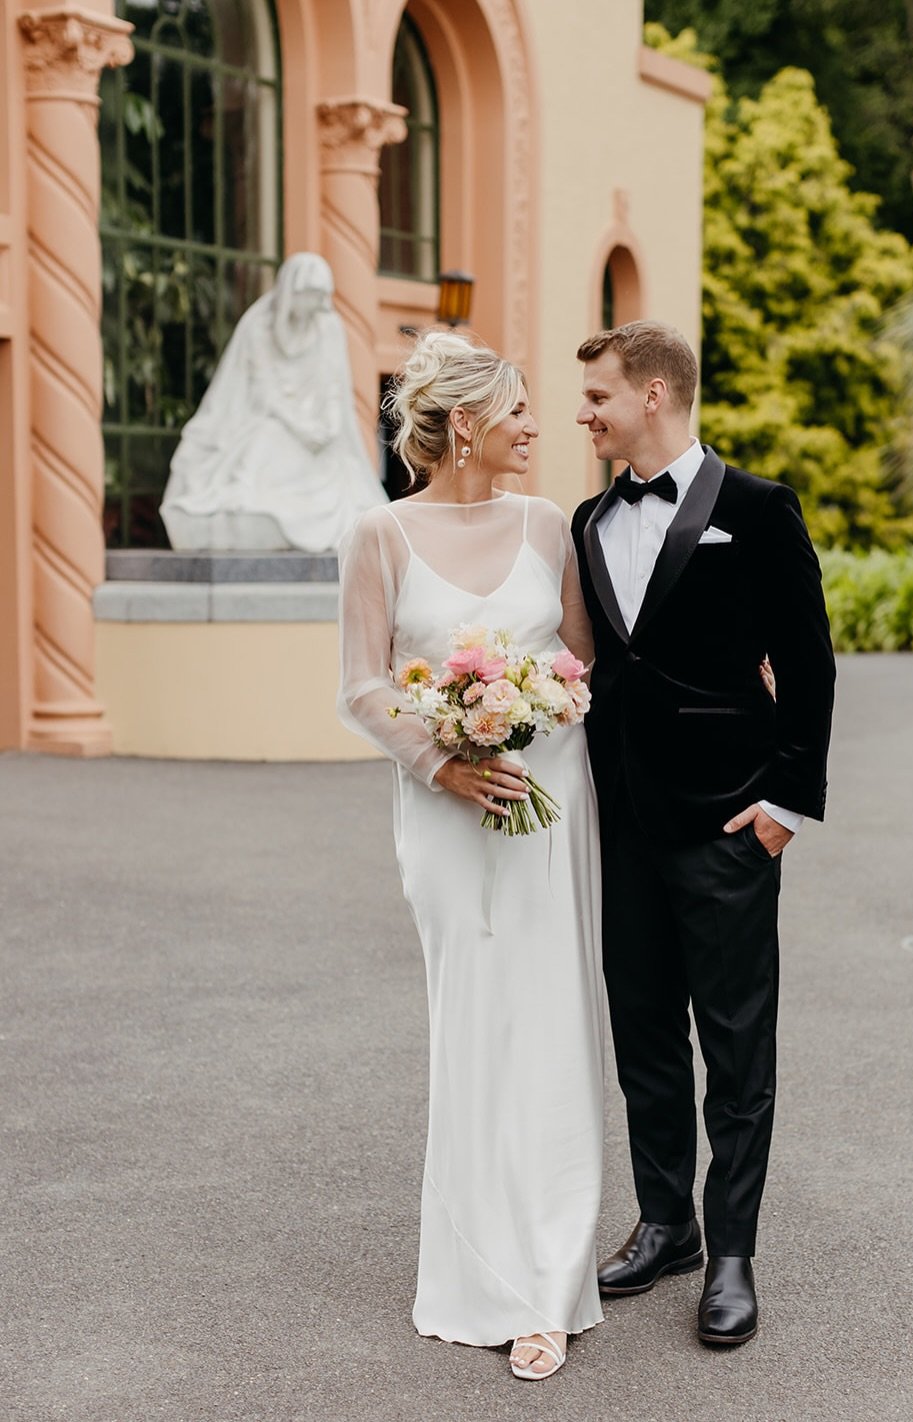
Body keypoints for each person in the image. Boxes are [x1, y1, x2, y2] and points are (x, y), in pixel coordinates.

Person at [338, 331, 604, 1381]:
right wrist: (439, 761)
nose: (537, 427)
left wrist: (541, 710)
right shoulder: (379, 535)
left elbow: (582, 663)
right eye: (518, 412)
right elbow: (361, 685)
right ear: (459, 429)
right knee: (473, 1024)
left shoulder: (548, 524)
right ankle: (473, 1269)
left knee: (549, 1024)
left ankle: (548, 1282)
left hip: (551, 797)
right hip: (444, 812)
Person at [571, 320, 835, 1345]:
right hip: (625, 824)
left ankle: (731, 1252)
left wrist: (781, 809)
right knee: (641, 1034)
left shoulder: (757, 511)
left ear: (652, 393)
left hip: (728, 824)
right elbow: (604, 672)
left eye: (596, 394)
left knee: (733, 1045)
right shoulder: (590, 520)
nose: (582, 413)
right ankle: (663, 1221)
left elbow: (806, 667)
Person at [162, 252, 386, 552]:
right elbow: (262, 392)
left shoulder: (328, 327)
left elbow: (334, 389)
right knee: (263, 446)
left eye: (322, 297)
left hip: (319, 432)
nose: (317, 306)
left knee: (340, 470)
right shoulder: (259, 327)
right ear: (291, 291)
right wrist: (301, 427)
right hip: (275, 420)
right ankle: (248, 502)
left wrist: (329, 427)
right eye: (311, 296)